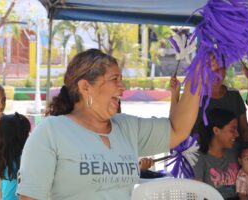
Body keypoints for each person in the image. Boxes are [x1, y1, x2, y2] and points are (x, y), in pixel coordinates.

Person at [17, 48, 201, 200]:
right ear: (85, 87)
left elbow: (178, 128)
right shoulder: (51, 131)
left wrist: (200, 72)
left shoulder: (127, 127)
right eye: (114, 79)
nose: (122, 88)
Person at [193, 54, 248, 142]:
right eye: (211, 69)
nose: (217, 74)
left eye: (220, 68)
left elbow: (244, 129)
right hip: (202, 152)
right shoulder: (193, 98)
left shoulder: (234, 95)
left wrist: (247, 150)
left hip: (234, 151)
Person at [193, 108, 239, 199]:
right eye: (232, 130)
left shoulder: (235, 150)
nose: (237, 134)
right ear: (216, 130)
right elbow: (197, 195)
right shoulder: (197, 159)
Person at [0, 113, 31, 200]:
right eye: (27, 133)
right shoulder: (25, 161)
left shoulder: (1, 159)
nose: (29, 136)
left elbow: (0, 191)